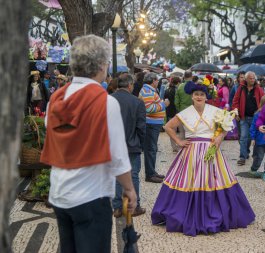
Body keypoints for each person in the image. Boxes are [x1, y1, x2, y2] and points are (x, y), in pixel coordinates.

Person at [40, 35, 137, 253]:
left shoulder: (56, 99)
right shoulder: (104, 102)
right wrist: (129, 189)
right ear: (102, 65)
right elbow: (118, 155)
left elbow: (54, 131)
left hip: (59, 192)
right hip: (91, 195)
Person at [151, 80, 255, 236]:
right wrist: (179, 141)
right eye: (196, 94)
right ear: (192, 97)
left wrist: (220, 138)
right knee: (188, 181)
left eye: (201, 94)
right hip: (191, 153)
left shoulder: (215, 111)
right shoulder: (185, 113)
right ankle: (186, 213)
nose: (199, 97)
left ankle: (215, 212)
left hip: (212, 151)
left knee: (216, 179)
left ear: (206, 97)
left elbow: (227, 126)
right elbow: (168, 127)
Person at [111, 73, 146, 218]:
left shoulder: (109, 100)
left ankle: (118, 207)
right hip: (132, 144)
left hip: (112, 145)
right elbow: (141, 127)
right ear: (130, 85)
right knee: (134, 175)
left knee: (116, 175)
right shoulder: (137, 102)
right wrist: (141, 144)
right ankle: (134, 206)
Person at [139, 72, 169, 183]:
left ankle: (152, 172)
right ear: (153, 81)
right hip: (150, 124)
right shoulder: (147, 91)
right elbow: (148, 108)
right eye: (157, 80)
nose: (158, 82)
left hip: (153, 124)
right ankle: (150, 175)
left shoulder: (149, 90)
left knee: (152, 149)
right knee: (150, 149)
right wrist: (163, 105)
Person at [232, 71, 265, 166]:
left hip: (255, 118)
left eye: (253, 78)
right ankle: (242, 157)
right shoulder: (241, 88)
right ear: (246, 79)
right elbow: (235, 101)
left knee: (250, 138)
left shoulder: (258, 89)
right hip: (243, 117)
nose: (252, 80)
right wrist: (236, 112)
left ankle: (246, 151)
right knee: (243, 137)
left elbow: (263, 101)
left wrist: (261, 111)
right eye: (250, 78)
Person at [249, 95, 265, 181]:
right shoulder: (258, 114)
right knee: (259, 157)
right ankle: (253, 169)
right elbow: (253, 127)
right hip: (260, 140)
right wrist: (253, 138)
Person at [174, 70, 193, 140]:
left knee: (182, 132)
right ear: (192, 77)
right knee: (192, 131)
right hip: (193, 111)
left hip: (182, 111)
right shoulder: (195, 86)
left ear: (184, 77)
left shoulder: (179, 87)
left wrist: (179, 109)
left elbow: (176, 102)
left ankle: (181, 148)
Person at [164, 76, 181, 152]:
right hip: (176, 111)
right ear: (177, 83)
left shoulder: (167, 90)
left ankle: (174, 146)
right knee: (180, 129)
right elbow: (177, 102)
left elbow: (165, 101)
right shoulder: (177, 90)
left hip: (169, 111)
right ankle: (179, 144)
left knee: (172, 130)